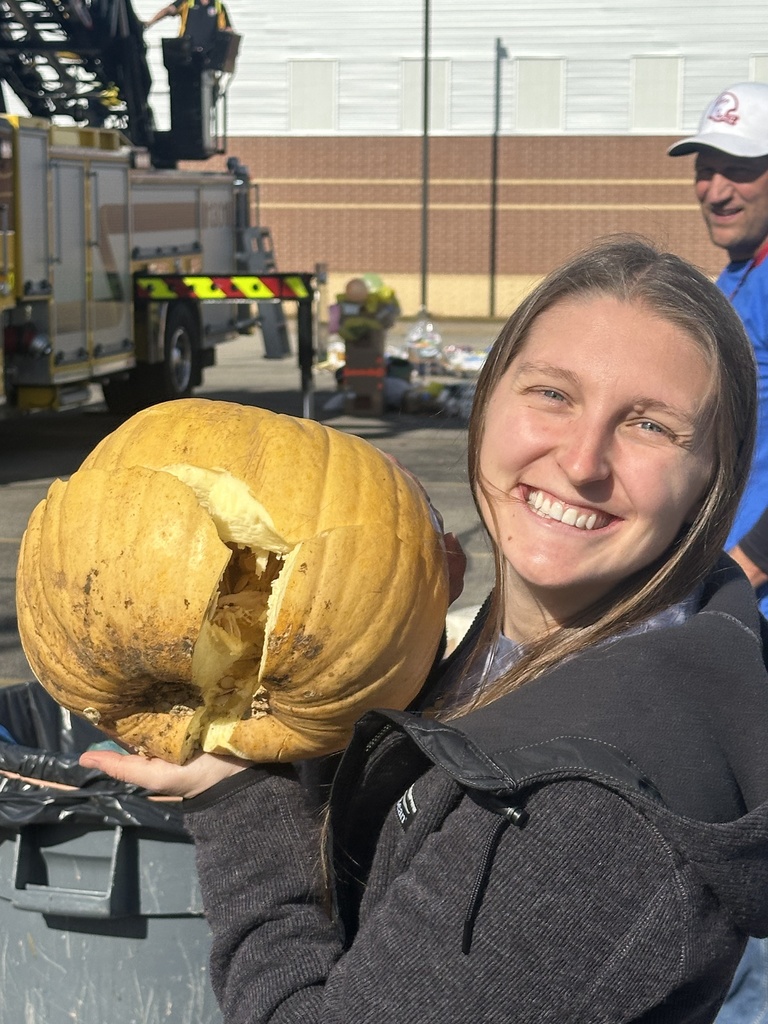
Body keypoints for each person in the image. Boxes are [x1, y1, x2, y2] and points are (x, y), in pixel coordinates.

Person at [80, 236, 768, 1023]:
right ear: (489, 399)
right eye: (552, 394)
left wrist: (239, 797)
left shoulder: (590, 811)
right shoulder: (550, 644)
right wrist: (388, 643)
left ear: (713, 478)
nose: (581, 462)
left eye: (649, 425)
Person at [669, 83, 768, 1024]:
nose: (714, 186)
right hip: (721, 608)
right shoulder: (734, 278)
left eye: (738, 166)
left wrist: (753, 561)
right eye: (705, 166)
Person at [143, 0, 232, 51]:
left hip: (209, 54)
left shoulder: (218, 6)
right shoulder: (187, 2)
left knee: (206, 81)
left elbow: (227, 29)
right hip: (186, 51)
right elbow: (168, 10)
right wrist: (150, 22)